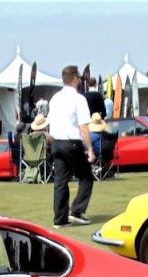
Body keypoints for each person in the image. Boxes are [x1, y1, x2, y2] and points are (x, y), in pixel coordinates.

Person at [47, 64, 95, 227]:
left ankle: (60, 219)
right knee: (86, 176)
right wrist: (90, 149)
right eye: (79, 77)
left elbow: (49, 122)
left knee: (60, 181)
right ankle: (77, 210)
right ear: (74, 78)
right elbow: (83, 126)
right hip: (71, 142)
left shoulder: (55, 98)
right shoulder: (79, 99)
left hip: (56, 141)